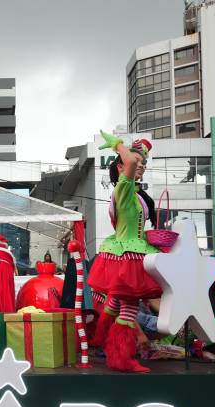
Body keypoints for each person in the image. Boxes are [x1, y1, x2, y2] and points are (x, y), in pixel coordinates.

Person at [87, 134, 161, 373]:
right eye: (135, 161)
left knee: (117, 302)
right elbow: (129, 162)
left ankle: (100, 340)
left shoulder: (134, 193)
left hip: (133, 251)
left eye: (144, 162)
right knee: (128, 308)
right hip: (128, 254)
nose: (140, 165)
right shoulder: (123, 187)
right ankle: (121, 358)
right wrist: (117, 143)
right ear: (121, 166)